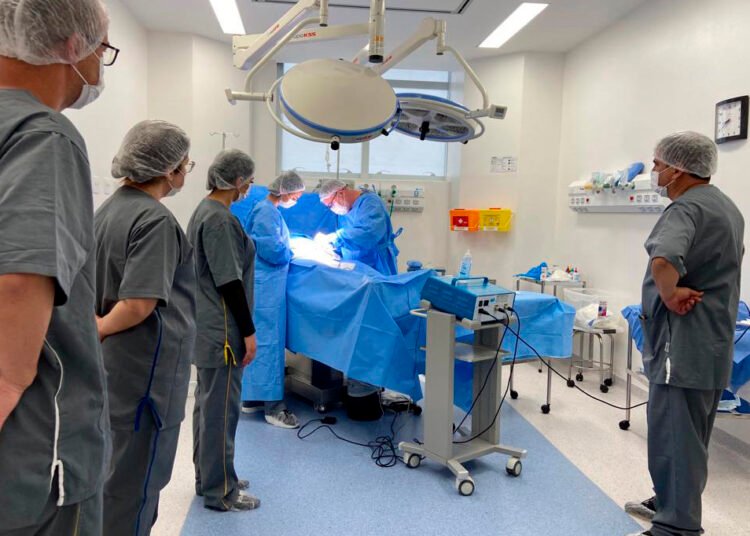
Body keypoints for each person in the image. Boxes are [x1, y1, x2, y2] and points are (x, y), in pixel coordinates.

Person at [0, 1, 113, 534]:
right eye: (102, 50)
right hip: (34, 450)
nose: (100, 66)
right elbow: (19, 283)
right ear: (73, 45)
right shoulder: (44, 134)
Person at [625, 132, 744, 536]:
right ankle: (672, 500)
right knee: (692, 436)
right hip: (711, 341)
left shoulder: (686, 208)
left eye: (658, 165)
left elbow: (664, 259)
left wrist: (670, 294)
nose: (654, 170)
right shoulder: (726, 207)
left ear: (678, 170)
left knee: (673, 436)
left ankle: (675, 527)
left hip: (683, 342)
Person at [95, 120, 196, 536]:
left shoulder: (108, 210)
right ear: (169, 169)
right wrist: (102, 327)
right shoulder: (154, 220)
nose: (186, 171)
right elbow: (138, 303)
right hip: (145, 381)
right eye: (185, 164)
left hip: (115, 373)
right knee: (134, 490)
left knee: (113, 479)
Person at [187, 149, 261, 511]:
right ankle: (222, 491)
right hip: (224, 333)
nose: (249, 187)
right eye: (248, 181)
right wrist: (248, 332)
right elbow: (230, 282)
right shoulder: (220, 220)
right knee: (221, 413)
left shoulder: (205, 210)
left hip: (207, 327)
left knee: (207, 407)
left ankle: (209, 477)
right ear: (237, 181)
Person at [241, 171, 306, 428]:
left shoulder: (266, 210)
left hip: (263, 286)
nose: (296, 201)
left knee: (259, 342)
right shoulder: (267, 212)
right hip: (266, 288)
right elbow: (273, 250)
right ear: (285, 191)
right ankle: (273, 408)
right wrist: (291, 250)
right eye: (296, 196)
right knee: (269, 343)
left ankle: (252, 398)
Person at [317, 179, 400, 276]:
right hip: (353, 267)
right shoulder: (344, 211)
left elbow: (368, 234)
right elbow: (346, 237)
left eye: (331, 205)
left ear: (340, 193)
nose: (332, 209)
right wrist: (333, 251)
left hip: (375, 265)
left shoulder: (371, 203)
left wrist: (336, 239)